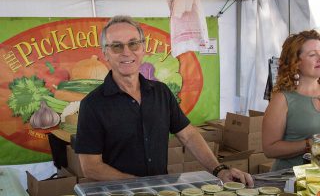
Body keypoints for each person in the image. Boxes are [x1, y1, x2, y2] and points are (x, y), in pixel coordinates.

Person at [75, 15, 253, 185]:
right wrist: (139, 184)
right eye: (117, 46)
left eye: (133, 44)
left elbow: (189, 135)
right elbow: (91, 167)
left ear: (143, 48)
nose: (126, 52)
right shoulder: (92, 104)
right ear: (105, 53)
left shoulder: (161, 92)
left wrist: (220, 170)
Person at [262, 30, 320, 171]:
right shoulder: (283, 99)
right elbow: (269, 149)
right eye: (312, 55)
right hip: (290, 183)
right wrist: (310, 143)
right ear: (296, 62)